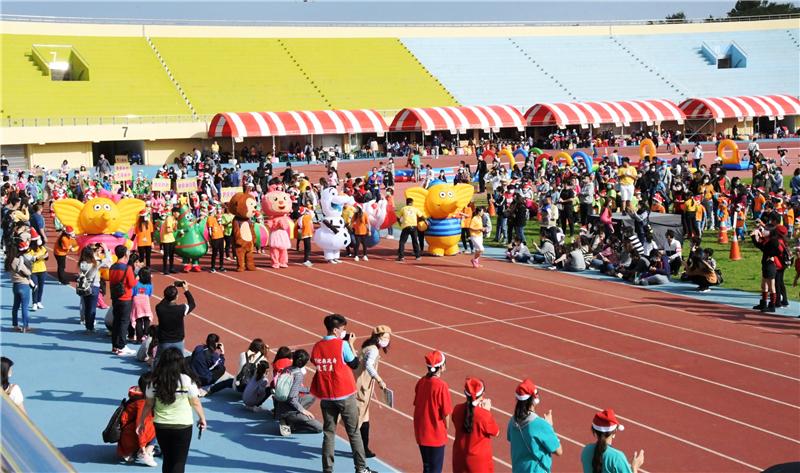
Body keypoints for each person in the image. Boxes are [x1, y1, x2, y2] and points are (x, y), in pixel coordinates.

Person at [309, 314, 376, 473]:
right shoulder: (342, 345)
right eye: (342, 329)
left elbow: (315, 360)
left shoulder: (317, 346)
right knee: (353, 432)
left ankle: (327, 469)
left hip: (326, 396)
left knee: (329, 434)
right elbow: (354, 364)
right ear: (335, 330)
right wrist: (350, 344)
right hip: (344, 394)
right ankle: (361, 468)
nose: (344, 332)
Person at [138, 348, 207, 473]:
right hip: (182, 425)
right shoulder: (186, 380)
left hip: (161, 425)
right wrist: (202, 418)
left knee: (168, 459)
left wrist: (142, 421)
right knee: (179, 461)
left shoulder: (154, 381)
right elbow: (195, 402)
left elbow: (148, 404)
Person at [506, 379, 562, 473]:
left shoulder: (512, 421)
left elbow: (510, 438)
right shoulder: (540, 424)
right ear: (534, 399)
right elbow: (559, 451)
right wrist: (549, 426)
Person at [354, 326, 392, 458]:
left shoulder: (367, 347)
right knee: (358, 419)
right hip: (362, 388)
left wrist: (350, 344)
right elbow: (369, 365)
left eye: (388, 337)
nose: (387, 340)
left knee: (364, 418)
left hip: (362, 387)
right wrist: (380, 380)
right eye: (385, 337)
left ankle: (364, 448)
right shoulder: (373, 350)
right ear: (377, 337)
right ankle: (359, 450)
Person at [413, 350, 452, 473]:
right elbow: (446, 413)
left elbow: (417, 403)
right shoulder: (441, 386)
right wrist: (446, 427)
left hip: (421, 432)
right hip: (435, 433)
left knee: (427, 467)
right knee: (435, 469)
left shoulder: (421, 381)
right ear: (441, 367)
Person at [452, 377, 499, 473]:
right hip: (479, 463)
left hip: (460, 458)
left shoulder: (457, 409)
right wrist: (487, 411)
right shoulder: (484, 415)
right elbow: (496, 432)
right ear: (482, 395)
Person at [274, 349, 323, 435]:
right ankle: (292, 425)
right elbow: (291, 398)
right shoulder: (298, 374)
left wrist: (310, 390)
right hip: (290, 409)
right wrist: (303, 410)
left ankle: (286, 419)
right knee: (319, 428)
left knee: (313, 394)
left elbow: (292, 388)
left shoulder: (286, 369)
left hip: (281, 407)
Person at [581, 409, 644, 473]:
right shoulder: (617, 457)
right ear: (615, 431)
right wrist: (635, 467)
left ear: (594, 432)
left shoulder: (586, 450)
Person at [118, 373, 158, 467]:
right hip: (130, 437)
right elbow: (140, 426)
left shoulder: (138, 396)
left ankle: (138, 449)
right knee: (158, 425)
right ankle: (147, 451)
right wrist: (143, 448)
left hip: (126, 435)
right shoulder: (142, 403)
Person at [155, 282, 196, 361]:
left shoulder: (159, 308)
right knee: (179, 361)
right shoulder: (181, 309)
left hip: (164, 341)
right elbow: (192, 304)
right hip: (178, 340)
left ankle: (157, 372)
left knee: (159, 360)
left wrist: (170, 290)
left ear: (165, 296)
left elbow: (163, 301)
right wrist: (186, 290)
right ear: (176, 297)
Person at [109, 245, 137, 356]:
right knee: (124, 322)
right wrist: (137, 278)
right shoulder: (127, 268)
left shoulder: (112, 267)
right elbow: (132, 284)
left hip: (116, 297)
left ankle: (115, 346)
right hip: (125, 298)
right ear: (125, 254)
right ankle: (121, 346)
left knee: (116, 321)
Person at [78, 244, 111, 332]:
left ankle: (87, 326)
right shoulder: (95, 263)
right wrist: (106, 249)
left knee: (86, 306)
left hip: (84, 286)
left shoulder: (82, 263)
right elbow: (109, 261)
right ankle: (90, 327)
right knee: (92, 308)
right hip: (94, 286)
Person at [10, 240, 33, 333]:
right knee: (25, 306)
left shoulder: (11, 261)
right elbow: (28, 272)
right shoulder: (20, 261)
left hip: (15, 285)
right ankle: (25, 326)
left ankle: (15, 324)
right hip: (24, 285)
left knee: (15, 306)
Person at [130, 268, 154, 343]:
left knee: (138, 320)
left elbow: (132, 293)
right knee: (147, 319)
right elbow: (150, 294)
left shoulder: (136, 283)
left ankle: (139, 337)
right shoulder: (150, 285)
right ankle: (146, 334)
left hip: (136, 301)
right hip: (145, 302)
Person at [27, 230, 49, 311]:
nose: (40, 241)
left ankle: (39, 301)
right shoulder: (29, 250)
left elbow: (46, 257)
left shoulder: (42, 248)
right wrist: (41, 257)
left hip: (42, 270)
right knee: (35, 287)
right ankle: (34, 303)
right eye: (38, 239)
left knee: (41, 287)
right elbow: (32, 260)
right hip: (33, 271)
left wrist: (44, 256)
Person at [206, 206, 225, 272]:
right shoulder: (210, 218)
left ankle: (221, 266)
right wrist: (211, 236)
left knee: (221, 252)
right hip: (215, 237)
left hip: (220, 236)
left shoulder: (216, 217)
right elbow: (210, 228)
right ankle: (213, 267)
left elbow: (221, 225)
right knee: (214, 253)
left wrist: (220, 223)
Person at [161, 207, 179, 274]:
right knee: (166, 254)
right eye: (177, 212)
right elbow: (168, 230)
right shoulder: (169, 218)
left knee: (171, 254)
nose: (178, 214)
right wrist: (174, 229)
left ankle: (171, 268)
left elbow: (174, 229)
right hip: (166, 239)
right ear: (174, 213)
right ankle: (165, 269)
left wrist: (176, 225)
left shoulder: (174, 219)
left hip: (171, 239)